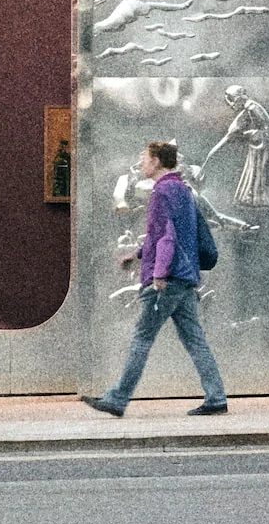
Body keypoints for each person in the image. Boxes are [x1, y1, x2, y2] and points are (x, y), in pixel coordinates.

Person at [85, 141, 228, 418]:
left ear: (158, 161)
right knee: (195, 340)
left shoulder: (161, 192)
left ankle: (116, 399)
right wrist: (137, 255)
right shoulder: (182, 190)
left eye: (145, 158)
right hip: (186, 278)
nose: (141, 163)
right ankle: (216, 397)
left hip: (168, 280)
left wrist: (159, 274)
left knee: (141, 338)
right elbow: (170, 234)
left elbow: (166, 237)